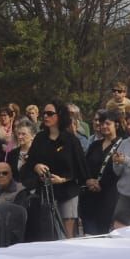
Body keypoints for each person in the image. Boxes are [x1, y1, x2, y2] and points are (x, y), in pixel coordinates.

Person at [25, 102, 89, 238]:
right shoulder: (40, 138)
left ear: (60, 116)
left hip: (67, 192)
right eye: (44, 113)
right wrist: (36, 167)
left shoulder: (71, 140)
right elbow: (29, 162)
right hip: (46, 192)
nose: (46, 116)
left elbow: (82, 169)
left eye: (50, 113)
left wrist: (63, 179)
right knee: (49, 231)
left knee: (67, 234)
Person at [80, 111, 122, 235]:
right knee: (89, 233)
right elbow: (85, 166)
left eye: (108, 123)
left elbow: (119, 171)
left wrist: (101, 183)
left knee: (104, 233)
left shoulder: (122, 145)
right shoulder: (94, 145)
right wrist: (88, 180)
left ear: (117, 125)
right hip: (90, 195)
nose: (104, 126)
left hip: (110, 194)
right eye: (102, 123)